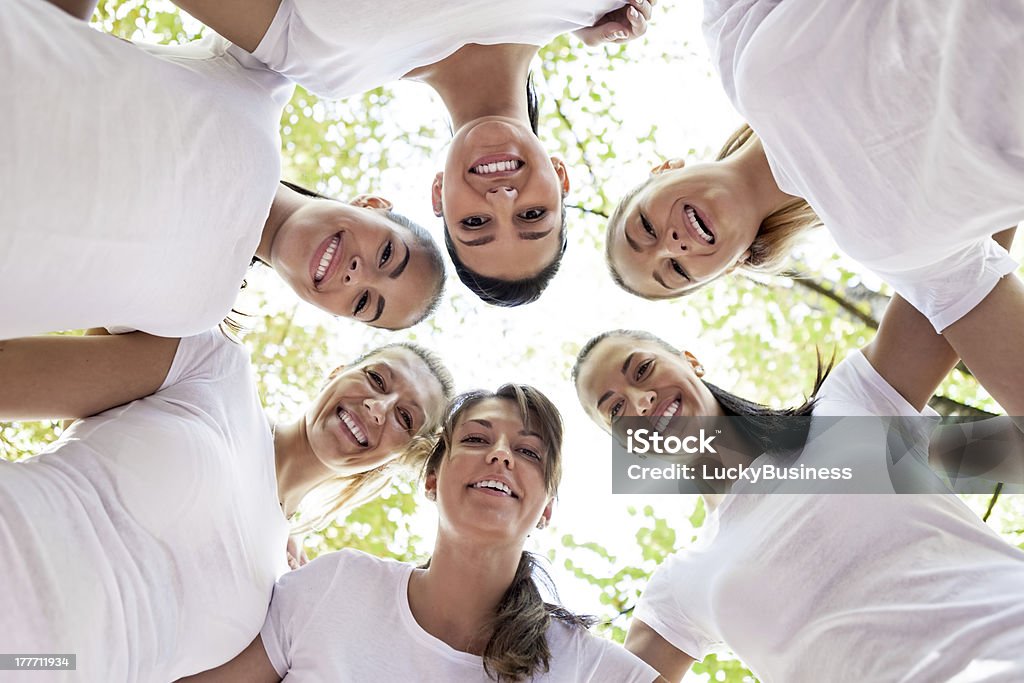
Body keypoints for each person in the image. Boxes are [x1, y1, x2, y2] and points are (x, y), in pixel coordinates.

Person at [571, 289, 1024, 681]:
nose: (640, 401)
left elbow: (950, 257)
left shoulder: (849, 405)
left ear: (692, 362)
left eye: (643, 370)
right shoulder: (680, 585)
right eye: (614, 410)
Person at [604, 0, 1024, 414]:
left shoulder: (735, 41)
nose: (672, 246)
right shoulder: (886, 249)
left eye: (645, 227)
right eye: (676, 271)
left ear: (662, 170)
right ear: (731, 267)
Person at [0, 328, 453, 681]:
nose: (379, 407)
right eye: (376, 378)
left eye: (405, 417)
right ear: (337, 372)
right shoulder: (214, 369)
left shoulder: (285, 590)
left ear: (400, 459)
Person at [1, 0, 445, 340]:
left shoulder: (195, 315)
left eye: (365, 302)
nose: (356, 275)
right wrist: (41, 34)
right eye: (387, 255)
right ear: (372, 205)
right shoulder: (259, 84)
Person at [164, 0, 657, 306]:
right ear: (562, 178)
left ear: (439, 195)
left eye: (475, 224)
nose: (502, 197)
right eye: (532, 214)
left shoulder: (331, 67)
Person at [178, 384, 661, 682]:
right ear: (432, 480)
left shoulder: (583, 666)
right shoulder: (338, 585)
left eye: (529, 452)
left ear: (546, 510)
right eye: (475, 439)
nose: (501, 455)